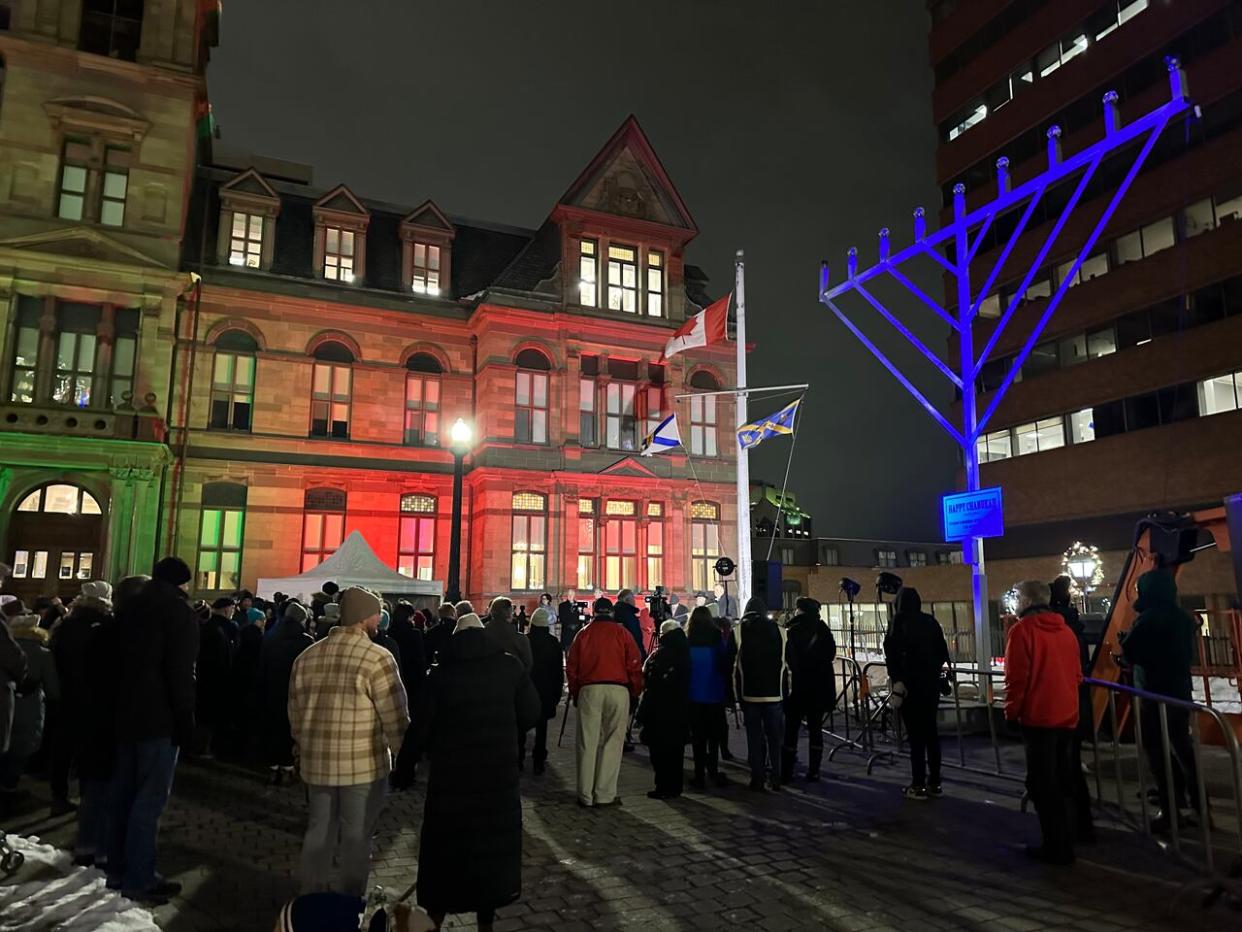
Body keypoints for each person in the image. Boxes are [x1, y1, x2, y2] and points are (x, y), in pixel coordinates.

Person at [412, 612, 540, 931]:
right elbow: (531, 713)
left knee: (446, 851)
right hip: (497, 777)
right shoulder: (509, 667)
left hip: (450, 780)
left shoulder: (440, 674)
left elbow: (421, 726)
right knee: (491, 852)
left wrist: (407, 765)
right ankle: (486, 919)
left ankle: (436, 915)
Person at [289, 587, 409, 897]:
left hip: (318, 763)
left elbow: (296, 714)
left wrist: (303, 747)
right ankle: (349, 903)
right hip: (363, 767)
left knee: (319, 832)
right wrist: (399, 753)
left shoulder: (307, 657)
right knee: (356, 837)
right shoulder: (377, 658)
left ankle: (310, 897)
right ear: (367, 617)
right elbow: (395, 717)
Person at [109, 557, 199, 905]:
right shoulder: (178, 612)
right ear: (181, 583)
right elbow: (181, 671)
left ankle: (117, 868)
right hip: (159, 719)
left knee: (125, 795)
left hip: (125, 716)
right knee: (149, 800)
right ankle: (139, 878)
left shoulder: (129, 609)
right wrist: (185, 718)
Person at [1005, 579, 1083, 866]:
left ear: (1026, 601)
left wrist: (1011, 713)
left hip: (1038, 717)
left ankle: (1056, 845)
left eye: (1016, 597)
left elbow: (1017, 679)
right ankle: (1069, 837)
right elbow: (1076, 674)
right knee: (1063, 780)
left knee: (1042, 783)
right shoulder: (1066, 632)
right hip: (1067, 716)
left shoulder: (1022, 632)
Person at [1121, 570, 1201, 833]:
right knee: (1183, 748)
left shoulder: (1149, 619)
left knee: (1156, 750)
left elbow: (1131, 651)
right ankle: (1200, 806)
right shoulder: (1182, 618)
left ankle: (1170, 809)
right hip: (1179, 691)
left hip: (1153, 693)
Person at [565, 597, 643, 807]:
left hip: (590, 689)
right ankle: (604, 793)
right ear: (611, 612)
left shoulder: (583, 634)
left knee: (587, 742)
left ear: (594, 612)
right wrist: (635, 691)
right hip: (618, 689)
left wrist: (575, 692)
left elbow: (572, 667)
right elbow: (634, 664)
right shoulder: (622, 633)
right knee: (612, 742)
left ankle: (585, 794)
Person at [48, 580, 113, 815]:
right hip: (94, 695)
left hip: (66, 693)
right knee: (89, 749)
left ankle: (59, 795)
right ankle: (88, 798)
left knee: (63, 747)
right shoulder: (105, 624)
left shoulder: (67, 623)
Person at [883, 588, 949, 799]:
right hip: (930, 686)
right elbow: (942, 651)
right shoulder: (930, 622)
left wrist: (899, 679)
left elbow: (891, 654)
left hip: (909, 687)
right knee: (931, 734)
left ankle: (918, 783)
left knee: (916, 737)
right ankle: (935, 782)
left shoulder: (898, 623)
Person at [1050, 575, 1095, 842]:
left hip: (1056, 708)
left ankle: (1065, 830)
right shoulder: (1075, 630)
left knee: (1060, 770)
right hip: (1074, 705)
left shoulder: (1054, 629)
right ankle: (1082, 823)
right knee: (1072, 768)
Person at [0, 614, 59, 793]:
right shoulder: (42, 653)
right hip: (28, 708)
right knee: (21, 748)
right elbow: (53, 689)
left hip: (9, 706)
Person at [734, 597, 787, 792]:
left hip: (750, 696)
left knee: (754, 738)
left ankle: (757, 778)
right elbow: (787, 666)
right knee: (775, 738)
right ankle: (776, 777)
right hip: (775, 695)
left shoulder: (738, 631)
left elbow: (733, 668)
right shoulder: (781, 632)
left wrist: (735, 696)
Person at [782, 596, 837, 784]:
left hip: (797, 687)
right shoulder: (823, 629)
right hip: (818, 688)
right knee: (815, 729)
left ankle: (787, 770)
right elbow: (831, 654)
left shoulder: (792, 630)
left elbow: (787, 658)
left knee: (791, 730)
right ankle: (814, 771)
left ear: (800, 610)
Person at [259, 601, 314, 786]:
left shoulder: (271, 636)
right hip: (295, 693)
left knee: (273, 728)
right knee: (290, 731)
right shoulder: (305, 641)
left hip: (271, 690)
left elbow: (262, 666)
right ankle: (288, 767)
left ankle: (273, 767)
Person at [636, 620, 691, 799]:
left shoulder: (659, 655)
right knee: (676, 752)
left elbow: (649, 684)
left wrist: (641, 714)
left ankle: (663, 787)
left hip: (659, 711)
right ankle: (675, 787)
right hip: (680, 709)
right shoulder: (685, 651)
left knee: (659, 752)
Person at [686, 607, 729, 790]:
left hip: (694, 696)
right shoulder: (717, 638)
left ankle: (699, 775)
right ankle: (713, 770)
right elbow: (725, 665)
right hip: (714, 694)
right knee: (714, 737)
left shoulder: (688, 640)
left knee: (698, 738)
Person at [522, 607, 563, 775]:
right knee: (542, 726)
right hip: (545, 690)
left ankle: (519, 758)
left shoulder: (525, 640)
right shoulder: (553, 643)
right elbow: (558, 672)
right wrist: (557, 694)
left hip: (527, 689)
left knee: (522, 724)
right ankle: (539, 760)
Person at [195, 596, 235, 760]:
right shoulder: (222, 630)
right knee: (208, 717)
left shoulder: (208, 626)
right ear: (226, 610)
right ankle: (201, 748)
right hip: (214, 679)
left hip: (204, 678)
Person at [424, 603, 456, 669]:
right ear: (453, 614)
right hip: (455, 668)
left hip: (438, 667)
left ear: (440, 615)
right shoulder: (458, 630)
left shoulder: (432, 631)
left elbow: (427, 653)